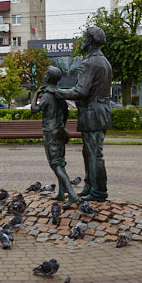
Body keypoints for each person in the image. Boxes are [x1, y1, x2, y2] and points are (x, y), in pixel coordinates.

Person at [54, 26, 113, 202]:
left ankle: (99, 191)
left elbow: (80, 91)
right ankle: (90, 186)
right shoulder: (104, 61)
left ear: (89, 41)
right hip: (100, 111)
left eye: (84, 38)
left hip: (92, 112)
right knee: (89, 152)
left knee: (94, 153)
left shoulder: (90, 63)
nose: (81, 41)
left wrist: (56, 91)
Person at [37, 65, 78, 205]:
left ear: (48, 77)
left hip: (50, 132)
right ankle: (61, 193)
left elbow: (34, 109)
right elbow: (66, 113)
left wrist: (36, 94)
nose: (44, 76)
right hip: (60, 131)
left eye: (45, 73)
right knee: (60, 162)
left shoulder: (47, 95)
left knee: (56, 165)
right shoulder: (60, 94)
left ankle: (71, 194)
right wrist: (61, 126)